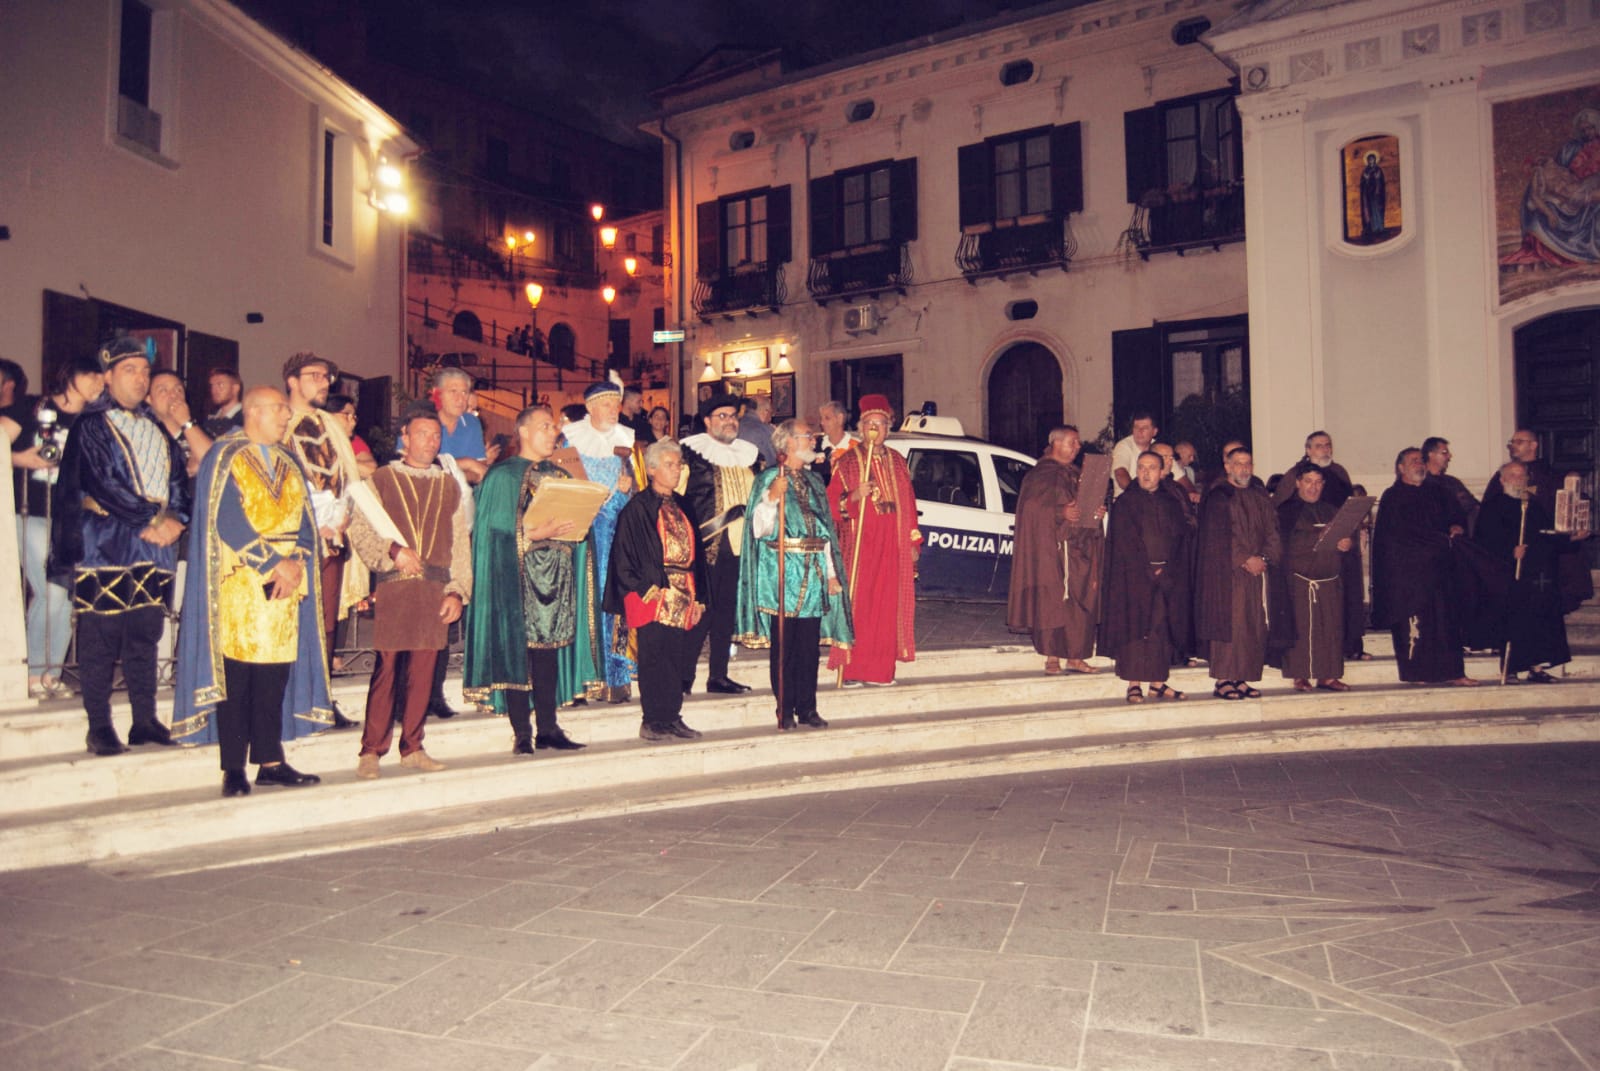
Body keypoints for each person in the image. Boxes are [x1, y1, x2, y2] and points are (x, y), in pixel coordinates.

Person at [172, 387, 325, 795]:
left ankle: (271, 761)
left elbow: (305, 521)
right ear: (254, 412)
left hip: (286, 585)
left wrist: (297, 563)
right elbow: (228, 521)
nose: (287, 416)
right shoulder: (225, 456)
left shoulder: (289, 460)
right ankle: (233, 768)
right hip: (241, 585)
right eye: (280, 409)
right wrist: (275, 564)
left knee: (274, 678)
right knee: (237, 679)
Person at [50, 337, 189, 754]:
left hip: (154, 544)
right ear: (107, 377)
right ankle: (99, 726)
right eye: (130, 370)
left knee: (145, 632)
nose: (140, 378)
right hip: (107, 539)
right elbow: (102, 482)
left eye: (144, 371)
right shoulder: (92, 426)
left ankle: (144, 720)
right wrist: (151, 519)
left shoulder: (156, 429)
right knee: (102, 634)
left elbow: (178, 481)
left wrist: (176, 521)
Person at [347, 406, 472, 777]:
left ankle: (413, 747)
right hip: (396, 589)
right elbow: (360, 529)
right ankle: (371, 750)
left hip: (434, 590)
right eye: (422, 434)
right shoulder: (382, 480)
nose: (431, 442)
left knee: (423, 672)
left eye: (436, 436)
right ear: (405, 437)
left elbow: (459, 544)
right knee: (387, 669)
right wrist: (393, 551)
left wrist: (457, 591)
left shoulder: (449, 485)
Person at [463, 404, 594, 753]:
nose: (554, 432)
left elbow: (576, 525)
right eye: (545, 426)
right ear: (523, 431)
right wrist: (533, 533)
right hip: (515, 579)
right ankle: (522, 731)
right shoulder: (502, 475)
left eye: (554, 427)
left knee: (547, 654)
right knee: (516, 653)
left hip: (554, 580)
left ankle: (548, 727)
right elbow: (491, 531)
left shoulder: (561, 474)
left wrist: (579, 524)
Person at [736, 419, 852, 730]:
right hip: (783, 572)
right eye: (807, 436)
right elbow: (759, 529)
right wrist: (772, 497)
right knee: (785, 647)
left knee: (808, 648)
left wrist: (831, 574)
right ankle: (784, 709)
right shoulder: (769, 477)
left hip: (814, 572)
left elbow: (824, 531)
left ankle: (807, 707)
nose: (813, 440)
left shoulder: (814, 481)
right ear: (788, 442)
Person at [10, 356, 103, 697]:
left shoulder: (94, 421)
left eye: (102, 379)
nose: (98, 384)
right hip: (30, 510)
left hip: (69, 518)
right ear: (71, 375)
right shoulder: (33, 407)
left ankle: (50, 673)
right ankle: (33, 673)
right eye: (92, 375)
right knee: (51, 590)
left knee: (64, 595)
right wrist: (20, 459)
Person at [604, 438, 706, 742]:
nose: (676, 470)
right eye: (669, 464)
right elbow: (623, 557)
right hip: (653, 593)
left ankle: (672, 716)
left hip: (683, 591)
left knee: (676, 657)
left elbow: (698, 555)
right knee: (653, 658)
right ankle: (652, 720)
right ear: (651, 470)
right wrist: (648, 589)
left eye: (679, 464)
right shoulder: (637, 509)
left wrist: (700, 598)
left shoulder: (684, 505)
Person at [280, 351, 361, 729]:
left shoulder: (329, 424)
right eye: (314, 375)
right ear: (292, 380)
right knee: (294, 620)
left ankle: (321, 698)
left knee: (326, 622)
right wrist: (310, 523)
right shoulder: (280, 422)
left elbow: (347, 478)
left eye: (327, 376)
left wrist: (343, 516)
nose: (324, 382)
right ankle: (290, 699)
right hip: (293, 541)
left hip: (333, 537)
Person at [827, 394, 920, 685]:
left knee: (888, 609)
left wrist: (913, 542)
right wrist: (854, 496)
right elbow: (831, 507)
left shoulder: (899, 462)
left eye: (881, 424)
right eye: (870, 424)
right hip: (861, 548)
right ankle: (853, 670)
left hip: (893, 547)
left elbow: (909, 504)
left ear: (888, 428)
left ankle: (880, 671)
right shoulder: (847, 463)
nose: (875, 429)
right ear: (861, 428)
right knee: (861, 608)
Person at [1372, 447, 1480, 687]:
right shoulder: (1393, 496)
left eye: (1421, 460)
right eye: (1413, 461)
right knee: (1416, 628)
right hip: (1409, 577)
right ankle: (1417, 673)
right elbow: (1396, 536)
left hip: (1440, 571)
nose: (1419, 464)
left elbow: (1457, 516)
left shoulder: (1438, 492)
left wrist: (1456, 526)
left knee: (1446, 625)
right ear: (1400, 468)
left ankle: (1454, 672)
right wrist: (1438, 540)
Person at [562, 378, 641, 702]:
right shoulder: (571, 444)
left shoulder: (626, 445)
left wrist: (624, 493)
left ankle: (614, 678)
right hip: (581, 537)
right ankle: (581, 680)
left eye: (616, 404)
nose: (613, 410)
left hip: (616, 538)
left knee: (614, 605)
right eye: (606, 404)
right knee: (582, 605)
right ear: (590, 408)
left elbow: (634, 494)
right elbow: (562, 489)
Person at [1007, 425, 1105, 676]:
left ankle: (1076, 656)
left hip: (1078, 549)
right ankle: (1052, 657)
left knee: (1080, 602)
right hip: (1051, 552)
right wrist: (1061, 512)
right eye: (1073, 442)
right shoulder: (1040, 475)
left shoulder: (1076, 473)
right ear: (1056, 444)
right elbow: (1031, 510)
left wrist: (1096, 512)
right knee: (1052, 602)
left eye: (1078, 443)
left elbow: (1084, 508)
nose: (1078, 447)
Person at [680, 392, 760, 694]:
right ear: (707, 421)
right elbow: (675, 496)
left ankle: (718, 675)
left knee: (726, 611)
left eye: (733, 416)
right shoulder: (691, 453)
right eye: (722, 416)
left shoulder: (748, 455)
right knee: (701, 611)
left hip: (739, 545)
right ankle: (683, 676)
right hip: (706, 544)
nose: (730, 421)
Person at [1476, 461, 1581, 683]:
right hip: (1509, 575)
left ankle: (1536, 667)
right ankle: (1511, 669)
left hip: (1537, 574)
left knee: (1540, 620)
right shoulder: (1492, 507)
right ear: (1502, 480)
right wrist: (1509, 551)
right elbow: (1483, 542)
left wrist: (1571, 538)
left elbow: (1546, 536)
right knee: (1513, 622)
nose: (1519, 479)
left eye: (1522, 475)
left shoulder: (1533, 506)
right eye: (1513, 475)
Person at [1271, 430, 1371, 661]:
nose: (1325, 450)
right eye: (1319, 446)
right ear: (1308, 450)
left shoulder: (1339, 472)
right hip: (1305, 559)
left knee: (1346, 598)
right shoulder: (1294, 475)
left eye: (1328, 445)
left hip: (1340, 547)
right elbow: (1282, 512)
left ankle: (1350, 646)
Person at [1100, 450, 1192, 702]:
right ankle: (1134, 684)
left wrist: (1167, 568)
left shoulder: (1171, 502)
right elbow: (1124, 542)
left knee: (1160, 629)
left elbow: (1180, 539)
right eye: (1141, 467)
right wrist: (1148, 570)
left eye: (1151, 467)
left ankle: (1158, 683)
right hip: (1133, 578)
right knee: (1135, 629)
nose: (1145, 472)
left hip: (1167, 577)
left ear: (1162, 472)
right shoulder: (1125, 503)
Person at [1194, 447, 1282, 700]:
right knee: (1230, 624)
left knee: (1253, 626)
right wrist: (1245, 559)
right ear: (1228, 467)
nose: (1244, 469)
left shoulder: (1259, 495)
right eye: (1239, 463)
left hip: (1257, 572)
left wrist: (1264, 557)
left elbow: (1272, 530)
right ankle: (1224, 679)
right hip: (1227, 573)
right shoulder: (1218, 496)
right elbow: (1218, 535)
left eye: (1248, 464)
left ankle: (1242, 677)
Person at [1484, 429, 1595, 613]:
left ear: (1533, 445)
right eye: (1511, 442)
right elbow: (1490, 516)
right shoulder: (1502, 477)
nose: (1512, 446)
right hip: (1514, 548)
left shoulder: (1549, 475)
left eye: (1518, 441)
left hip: (1545, 545)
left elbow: (1568, 503)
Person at [1276, 468, 1353, 692]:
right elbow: (1283, 543)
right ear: (1298, 483)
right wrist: (1316, 537)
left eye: (1318, 482)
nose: (1313, 487)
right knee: (1301, 630)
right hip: (1300, 580)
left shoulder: (1332, 510)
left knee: (1330, 630)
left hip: (1330, 579)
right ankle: (1300, 675)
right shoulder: (1285, 510)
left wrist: (1346, 544)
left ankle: (1328, 675)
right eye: (1308, 481)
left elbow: (1344, 538)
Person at [434, 368, 497, 484]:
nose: (460, 399)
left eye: (464, 392)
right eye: (453, 391)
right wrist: (468, 463)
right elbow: (420, 468)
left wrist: (445, 471)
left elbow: (480, 470)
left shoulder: (471, 423)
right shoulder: (422, 421)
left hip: (464, 492)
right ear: (438, 394)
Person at [148, 368, 215, 479]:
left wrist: (186, 422)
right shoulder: (144, 435)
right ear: (149, 399)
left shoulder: (201, 433)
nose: (173, 395)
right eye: (163, 390)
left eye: (179, 390)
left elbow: (215, 462)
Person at [1422, 436, 1479, 537]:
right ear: (1431, 455)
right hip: (1435, 535)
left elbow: (1471, 505)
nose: (1449, 456)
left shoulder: (1452, 482)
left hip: (1460, 532)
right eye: (1444, 453)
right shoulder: (1420, 483)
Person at [325, 393, 378, 478]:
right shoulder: (313, 438)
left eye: (354, 417)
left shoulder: (354, 440)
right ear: (328, 415)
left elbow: (371, 469)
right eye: (347, 415)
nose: (353, 422)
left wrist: (335, 463)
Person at [1111, 412, 1159, 497]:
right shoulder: (1123, 446)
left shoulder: (1159, 447)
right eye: (1136, 427)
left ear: (1154, 432)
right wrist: (1140, 496)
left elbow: (1179, 476)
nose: (1140, 431)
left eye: (1145, 428)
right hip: (1128, 501)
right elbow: (1120, 474)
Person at [814, 399, 858, 485]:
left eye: (827, 418)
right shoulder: (815, 445)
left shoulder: (855, 447)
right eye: (821, 418)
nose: (822, 423)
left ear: (840, 419)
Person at [736, 394, 778, 469]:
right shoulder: (766, 430)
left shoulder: (735, 426)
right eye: (771, 413)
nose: (771, 418)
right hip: (760, 473)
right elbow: (775, 461)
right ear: (766, 411)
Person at [203, 367, 243, 439]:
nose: (214, 390)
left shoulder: (245, 419)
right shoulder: (210, 419)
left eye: (220, 385)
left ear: (235, 388)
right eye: (212, 385)